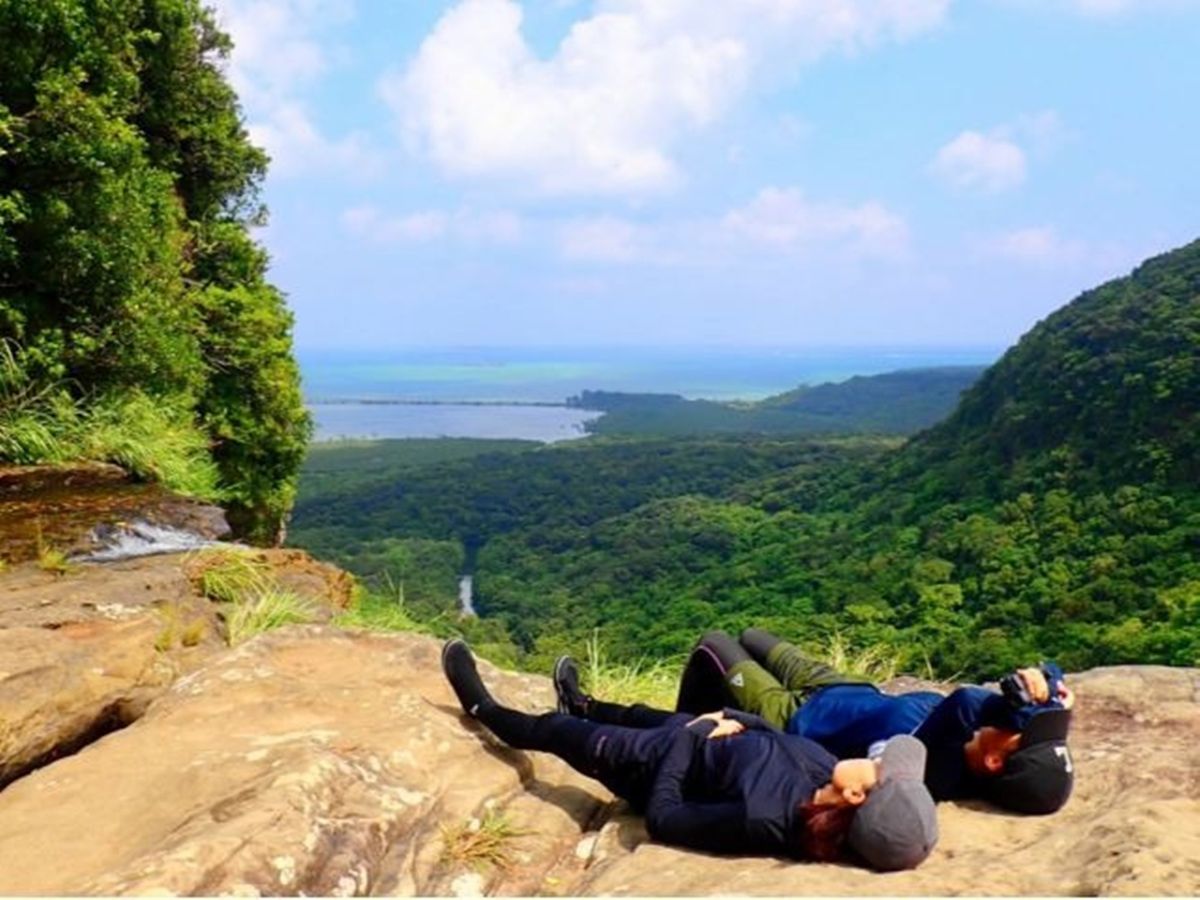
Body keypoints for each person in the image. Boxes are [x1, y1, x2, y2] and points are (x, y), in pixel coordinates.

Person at [441, 639, 938, 871]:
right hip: (702, 738)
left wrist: (693, 736)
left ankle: (483, 707)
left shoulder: (762, 817)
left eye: (881, 767)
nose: (878, 756)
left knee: (554, 730)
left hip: (651, 764)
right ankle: (584, 702)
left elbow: (665, 818)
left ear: (855, 797)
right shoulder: (829, 771)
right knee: (636, 712)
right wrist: (734, 718)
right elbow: (778, 739)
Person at [652, 628, 1075, 814]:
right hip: (843, 688)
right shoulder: (976, 745)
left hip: (796, 715)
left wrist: (1023, 701)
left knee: (713, 644)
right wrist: (1052, 688)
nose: (1023, 722)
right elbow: (1048, 686)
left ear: (995, 762)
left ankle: (675, 741)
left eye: (1023, 732)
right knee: (752, 635)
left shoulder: (936, 764)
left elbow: (966, 700)